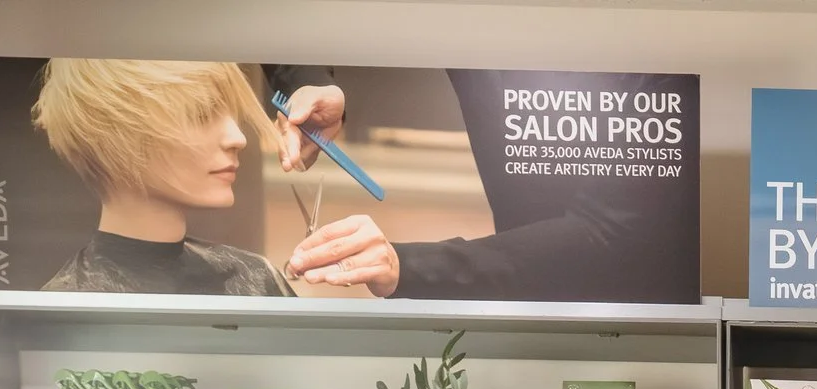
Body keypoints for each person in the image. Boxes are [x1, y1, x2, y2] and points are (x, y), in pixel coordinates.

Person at [269, 69, 688, 303]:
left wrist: (408, 266)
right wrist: (311, 79)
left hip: (636, 312)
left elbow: (613, 233)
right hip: (518, 303)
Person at [31, 59, 293, 296]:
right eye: (200, 114)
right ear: (119, 133)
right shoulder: (67, 310)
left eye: (231, 115)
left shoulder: (256, 280)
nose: (238, 138)